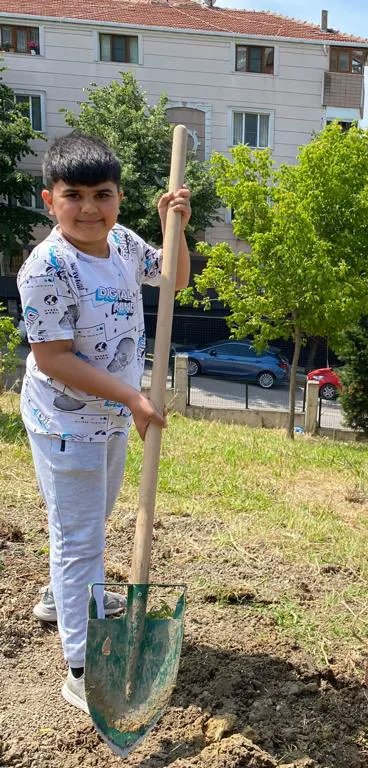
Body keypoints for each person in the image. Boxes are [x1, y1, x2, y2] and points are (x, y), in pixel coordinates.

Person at [17, 132, 191, 713]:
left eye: (102, 194)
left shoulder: (120, 241)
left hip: (112, 415)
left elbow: (173, 279)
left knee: (86, 524)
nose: (89, 208)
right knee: (81, 539)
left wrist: (176, 229)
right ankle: (80, 665)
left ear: (118, 197)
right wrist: (133, 396)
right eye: (74, 195)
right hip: (66, 421)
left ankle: (57, 598)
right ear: (50, 200)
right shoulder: (46, 268)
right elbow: (53, 357)